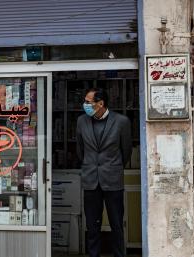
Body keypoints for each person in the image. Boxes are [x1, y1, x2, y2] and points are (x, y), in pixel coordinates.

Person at [76, 88, 132, 257]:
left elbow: (126, 150)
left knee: (116, 224)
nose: (84, 105)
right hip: (90, 179)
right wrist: (89, 165)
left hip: (113, 180)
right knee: (92, 226)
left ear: (100, 104)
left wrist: (113, 167)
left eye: (88, 102)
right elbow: (80, 149)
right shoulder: (81, 121)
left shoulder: (121, 121)